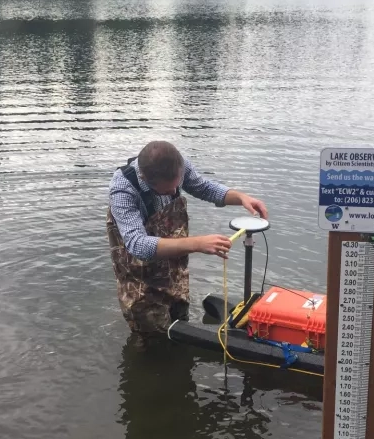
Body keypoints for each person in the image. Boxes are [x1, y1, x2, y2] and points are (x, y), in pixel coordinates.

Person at [107, 140, 268, 335]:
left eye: (177, 186)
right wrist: (198, 243)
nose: (175, 192)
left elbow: (204, 188)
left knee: (179, 320)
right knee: (151, 335)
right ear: (145, 178)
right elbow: (137, 244)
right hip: (139, 274)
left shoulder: (178, 165)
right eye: (167, 190)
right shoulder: (123, 189)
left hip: (173, 268)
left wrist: (240, 197)